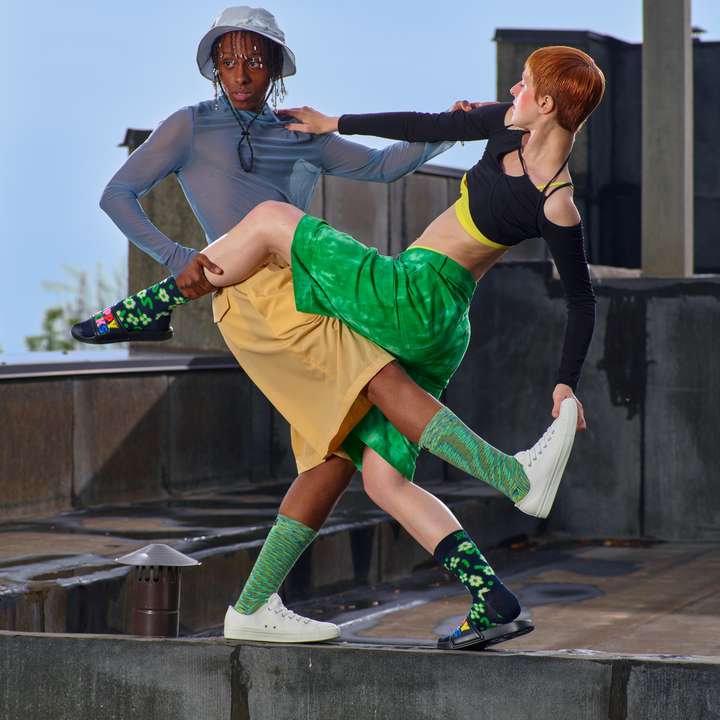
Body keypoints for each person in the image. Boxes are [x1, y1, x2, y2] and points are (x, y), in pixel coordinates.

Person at [75, 15, 593, 648]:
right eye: (229, 61)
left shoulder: (546, 187)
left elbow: (384, 166)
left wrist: (342, 127)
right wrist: (177, 258)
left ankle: (144, 312)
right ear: (212, 64)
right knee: (361, 464)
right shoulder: (190, 124)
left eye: (256, 61)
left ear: (274, 67)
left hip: (361, 293)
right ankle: (484, 592)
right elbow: (431, 126)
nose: (242, 74)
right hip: (291, 294)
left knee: (352, 429)